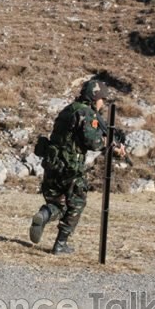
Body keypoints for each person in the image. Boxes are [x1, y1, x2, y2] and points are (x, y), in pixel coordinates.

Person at [29, 80, 126, 255]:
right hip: (70, 167)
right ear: (95, 97)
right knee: (77, 204)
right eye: (101, 99)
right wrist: (110, 144)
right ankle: (60, 244)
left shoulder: (68, 109)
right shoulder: (86, 114)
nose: (102, 103)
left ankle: (44, 214)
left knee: (58, 204)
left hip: (52, 164)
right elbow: (93, 142)